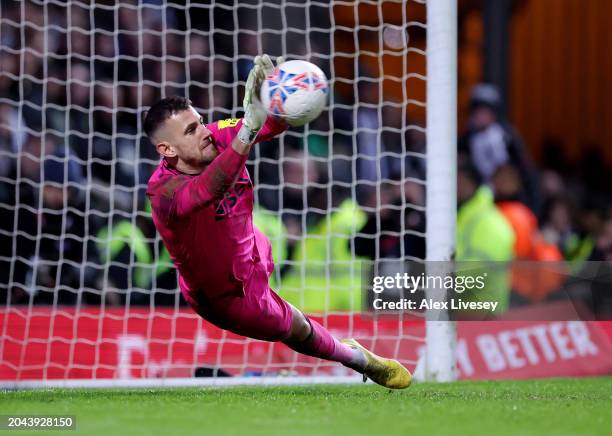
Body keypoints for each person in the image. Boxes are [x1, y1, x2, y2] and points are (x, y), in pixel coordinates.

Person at [143, 55, 410, 389]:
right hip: (226, 294)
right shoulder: (162, 191)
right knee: (295, 328)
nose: (205, 131)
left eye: (200, 121)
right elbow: (210, 187)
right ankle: (358, 358)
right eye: (192, 130)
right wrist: (248, 128)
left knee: (264, 240)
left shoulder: (215, 137)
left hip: (253, 247)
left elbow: (273, 126)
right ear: (167, 149)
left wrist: (273, 101)